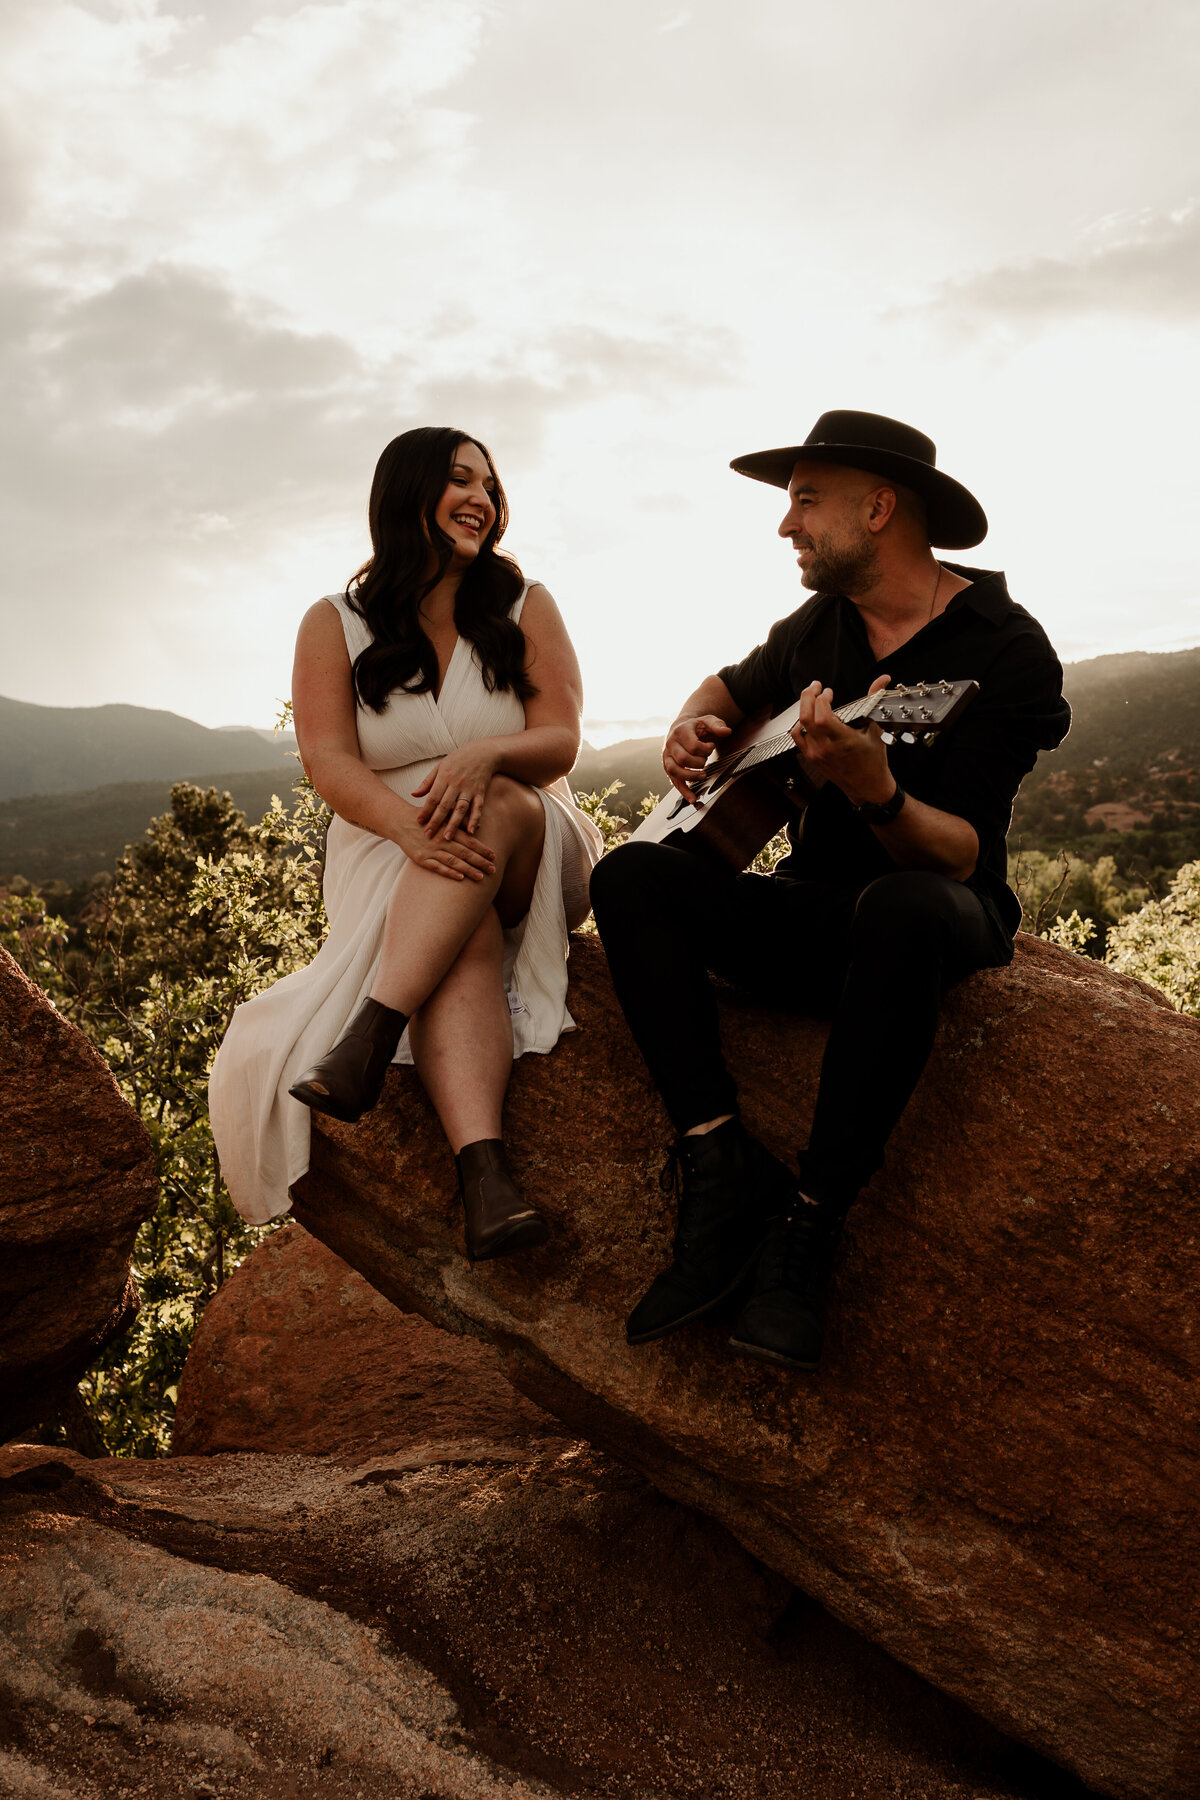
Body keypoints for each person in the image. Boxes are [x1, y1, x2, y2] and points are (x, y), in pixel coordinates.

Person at [589, 409, 1071, 1370]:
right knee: (630, 874)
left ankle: (811, 1225)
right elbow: (727, 689)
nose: (786, 526)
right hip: (810, 912)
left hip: (929, 915)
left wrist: (874, 786)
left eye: (806, 501)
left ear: (879, 508)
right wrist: (688, 730)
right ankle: (720, 1160)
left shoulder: (1005, 648)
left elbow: (960, 857)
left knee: (901, 907)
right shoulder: (818, 627)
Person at [209, 427, 602, 1257]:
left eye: (490, 486)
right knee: (457, 937)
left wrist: (485, 753)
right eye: (461, 480)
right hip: (390, 848)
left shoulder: (524, 604)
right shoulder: (334, 623)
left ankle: (371, 1031)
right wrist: (405, 831)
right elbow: (328, 762)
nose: (482, 501)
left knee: (489, 805)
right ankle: (486, 1179)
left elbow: (560, 741)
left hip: (531, 837)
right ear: (408, 492)